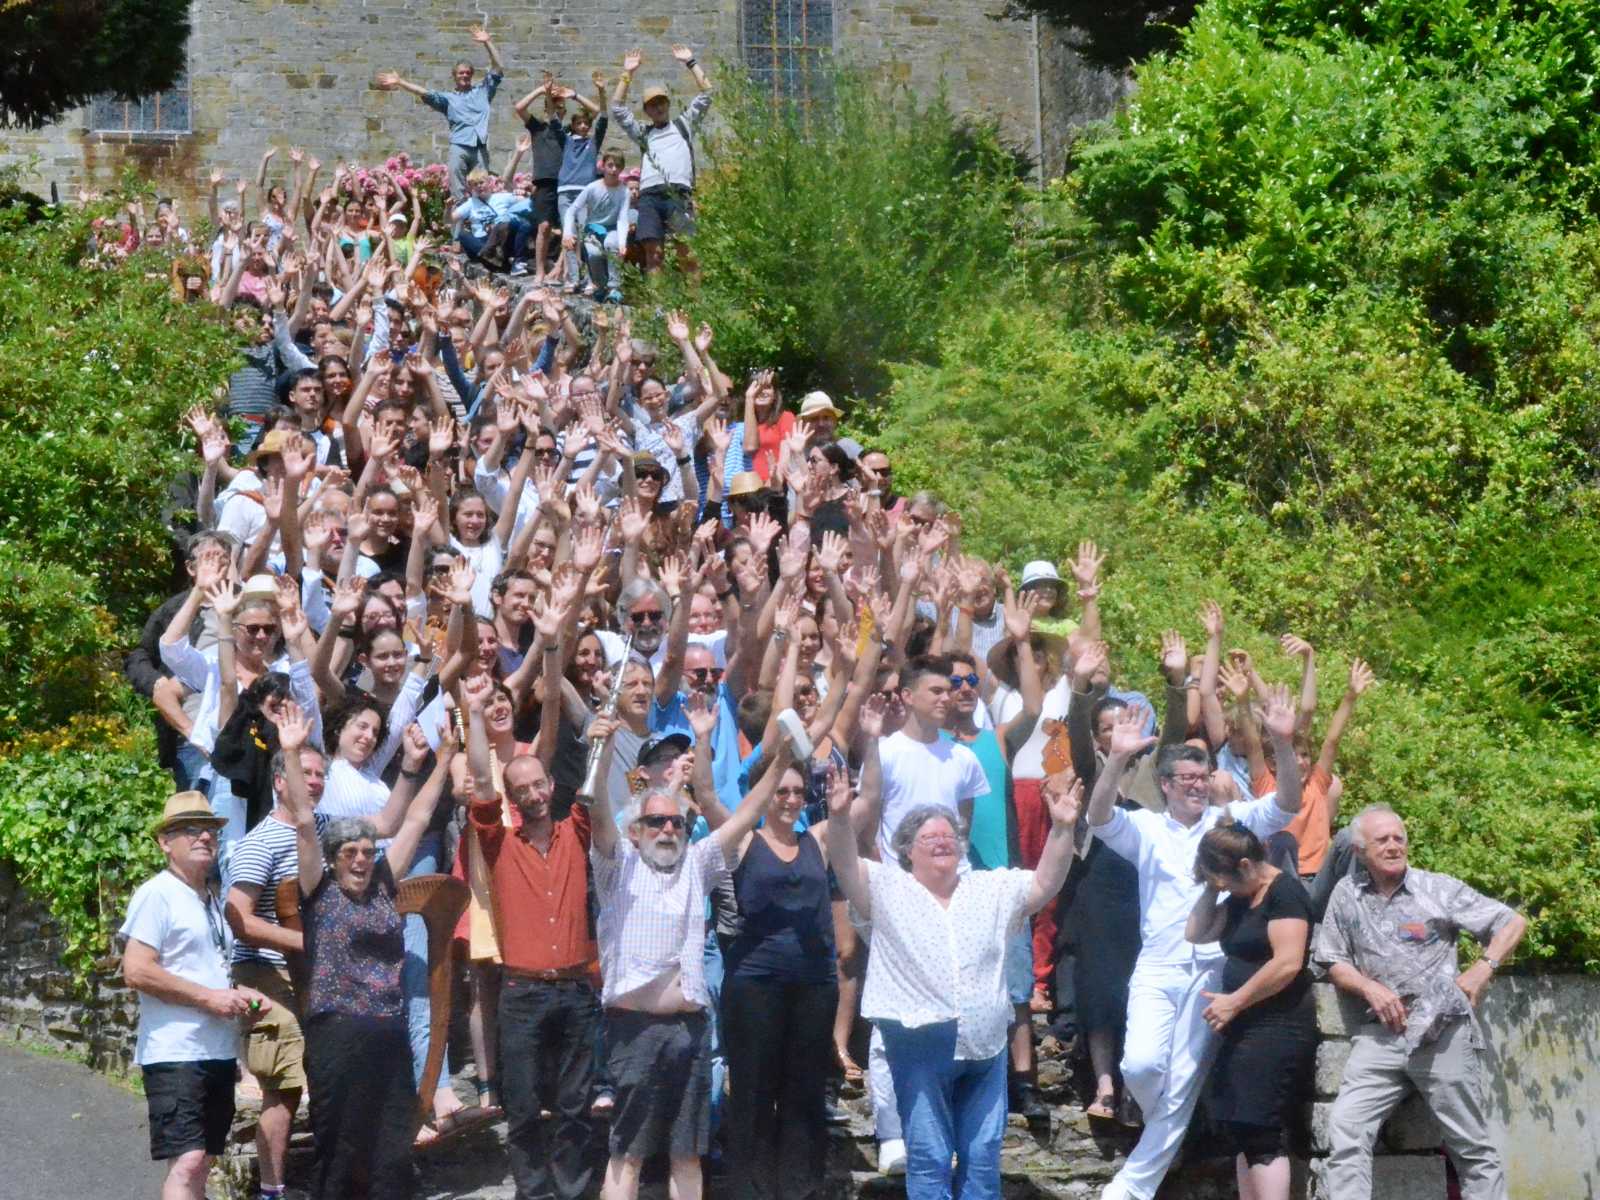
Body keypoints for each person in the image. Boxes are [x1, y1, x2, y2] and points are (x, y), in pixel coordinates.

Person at [1086, 680, 1304, 1200]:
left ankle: (1130, 1189)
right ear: (1164, 784)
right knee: (1141, 1067)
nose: (1197, 786)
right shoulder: (1145, 828)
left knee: (1182, 1080)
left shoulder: (1229, 823)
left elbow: (1288, 804)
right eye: (1186, 778)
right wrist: (1117, 759)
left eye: (1203, 777)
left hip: (1212, 967)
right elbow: (1097, 818)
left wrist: (1282, 743)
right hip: (1157, 966)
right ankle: (1161, 1122)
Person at [828, 769, 1085, 1200]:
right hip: (919, 1047)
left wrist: (1062, 828)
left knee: (982, 1158)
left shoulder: (991, 887)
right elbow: (844, 863)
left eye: (949, 835)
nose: (942, 841)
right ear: (907, 850)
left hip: (985, 1047)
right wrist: (839, 818)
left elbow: (1045, 883)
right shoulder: (886, 887)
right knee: (929, 1157)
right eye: (929, 837)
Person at [583, 703, 785, 1200]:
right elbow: (598, 810)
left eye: (675, 822)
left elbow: (747, 814)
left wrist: (783, 761)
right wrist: (602, 752)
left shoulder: (697, 863)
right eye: (655, 822)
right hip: (633, 1031)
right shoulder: (618, 864)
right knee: (627, 1153)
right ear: (636, 830)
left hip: (691, 1031)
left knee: (688, 1153)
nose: (668, 829)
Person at [280, 701, 454, 1200]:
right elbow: (305, 821)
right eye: (349, 853)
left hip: (387, 1032)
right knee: (341, 1150)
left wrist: (443, 759)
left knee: (391, 1152)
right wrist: (291, 752)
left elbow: (417, 817)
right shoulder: (319, 891)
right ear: (333, 861)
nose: (360, 860)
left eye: (365, 852)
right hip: (337, 1034)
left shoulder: (382, 884)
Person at [1315, 805, 1527, 1200]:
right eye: (1382, 840)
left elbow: (1512, 922)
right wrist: (1368, 987)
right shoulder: (1346, 894)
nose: (1394, 846)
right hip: (1380, 1037)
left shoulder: (1438, 888)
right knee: (1346, 1132)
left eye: (1399, 838)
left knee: (1470, 1145)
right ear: (1360, 851)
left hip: (1440, 1035)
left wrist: (1483, 968)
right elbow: (1332, 960)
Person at [460, 672, 599, 1200]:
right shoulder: (499, 842)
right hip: (522, 993)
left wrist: (600, 733)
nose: (534, 795)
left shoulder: (577, 831)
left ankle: (573, 1193)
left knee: (575, 1108)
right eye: (522, 790)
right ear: (513, 798)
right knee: (521, 1109)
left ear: (551, 785)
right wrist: (475, 714)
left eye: (539, 784)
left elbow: (598, 775)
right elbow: (480, 778)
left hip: (575, 990)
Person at [121, 792, 269, 1200]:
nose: (204, 836)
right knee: (187, 1162)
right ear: (165, 842)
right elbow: (136, 969)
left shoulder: (211, 900)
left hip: (215, 1050)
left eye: (210, 830)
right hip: (175, 1052)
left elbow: (204, 971)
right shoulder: (157, 894)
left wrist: (238, 996)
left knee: (202, 1163)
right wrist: (208, 998)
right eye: (190, 829)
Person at [1185, 823, 1317, 1200]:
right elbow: (1195, 932)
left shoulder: (1285, 893)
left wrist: (1235, 1000)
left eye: (1224, 879)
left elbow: (1287, 962)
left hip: (1277, 1026)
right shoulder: (1240, 898)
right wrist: (1212, 885)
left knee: (1262, 1128)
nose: (1223, 888)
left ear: (1245, 865)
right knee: (1240, 1127)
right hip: (1244, 1028)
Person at [223, 737, 330, 1200]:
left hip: (320, 975)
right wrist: (306, 943)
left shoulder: (328, 830)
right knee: (285, 1086)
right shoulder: (259, 843)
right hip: (265, 972)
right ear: (280, 782)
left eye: (320, 774)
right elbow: (239, 920)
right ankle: (272, 1191)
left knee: (335, 1075)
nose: (315, 782)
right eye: (306, 774)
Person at [610, 44, 712, 272]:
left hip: (678, 193)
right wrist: (627, 73)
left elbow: (707, 94)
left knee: (687, 252)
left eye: (661, 102)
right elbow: (617, 109)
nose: (658, 108)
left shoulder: (683, 126)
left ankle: (694, 296)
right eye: (652, 105)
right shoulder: (644, 133)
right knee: (653, 254)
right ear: (646, 111)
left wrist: (691, 62)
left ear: (668, 104)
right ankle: (657, 297)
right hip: (649, 197)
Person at [377, 26, 506, 198]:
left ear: (472, 75)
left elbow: (498, 67)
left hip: (479, 147)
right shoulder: (448, 99)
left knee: (482, 186)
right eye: (461, 73)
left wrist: (487, 42)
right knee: (457, 187)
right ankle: (459, 212)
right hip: (459, 146)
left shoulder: (483, 91)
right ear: (455, 76)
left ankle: (480, 213)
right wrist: (400, 82)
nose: (465, 75)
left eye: (468, 73)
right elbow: (425, 93)